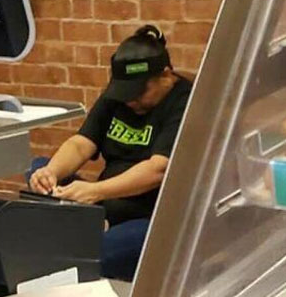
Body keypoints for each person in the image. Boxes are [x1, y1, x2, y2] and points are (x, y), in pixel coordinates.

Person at [28, 25, 192, 281]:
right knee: (37, 167)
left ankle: (86, 238)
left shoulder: (185, 102)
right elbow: (81, 144)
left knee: (95, 255)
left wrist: (95, 192)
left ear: (166, 75)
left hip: (150, 215)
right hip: (104, 204)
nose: (130, 102)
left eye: (139, 94)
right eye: (125, 94)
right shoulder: (119, 95)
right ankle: (87, 229)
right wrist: (50, 172)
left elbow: (157, 170)